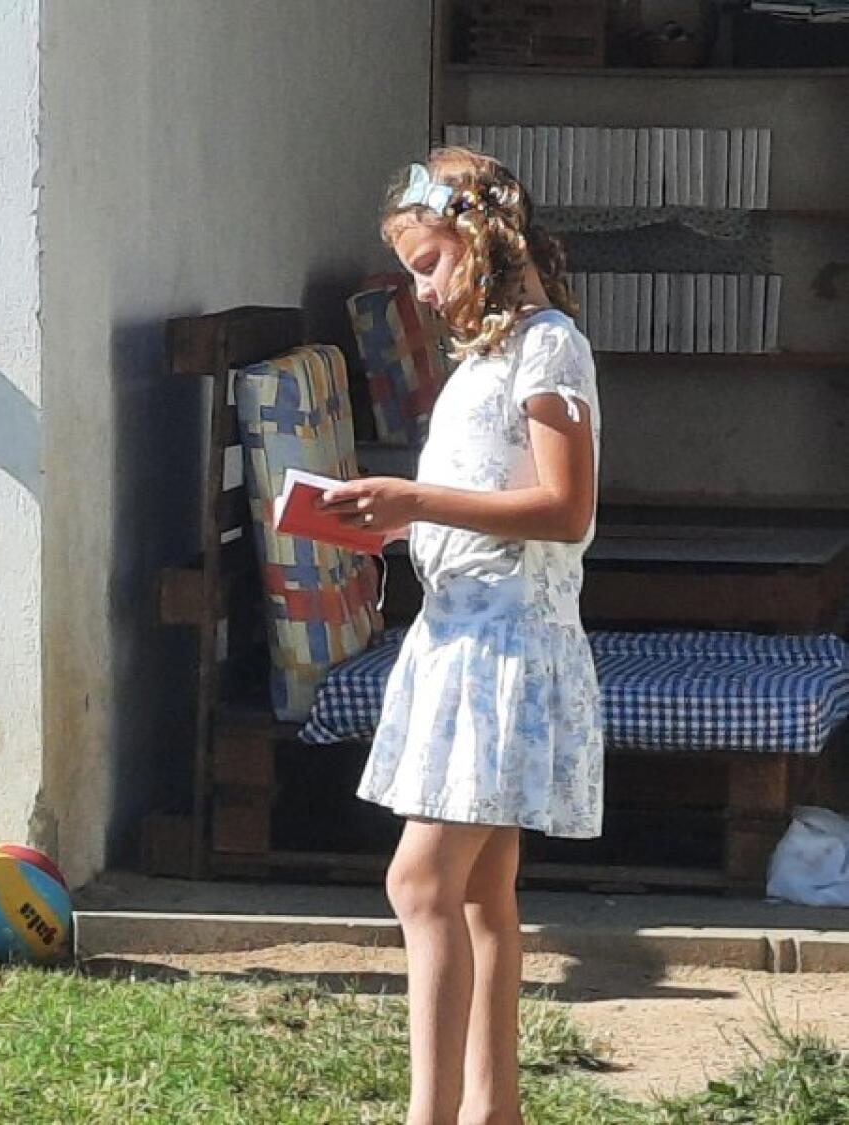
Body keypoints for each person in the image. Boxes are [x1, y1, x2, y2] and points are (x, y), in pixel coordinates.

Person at [322, 147, 602, 1125]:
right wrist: (398, 526)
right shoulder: (486, 358)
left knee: (419, 882)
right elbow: (486, 499)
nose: (423, 290)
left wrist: (415, 498)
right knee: (482, 896)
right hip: (459, 640)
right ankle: (493, 1111)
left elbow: (565, 508)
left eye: (431, 262)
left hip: (507, 649)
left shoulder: (547, 347)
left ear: (481, 240)